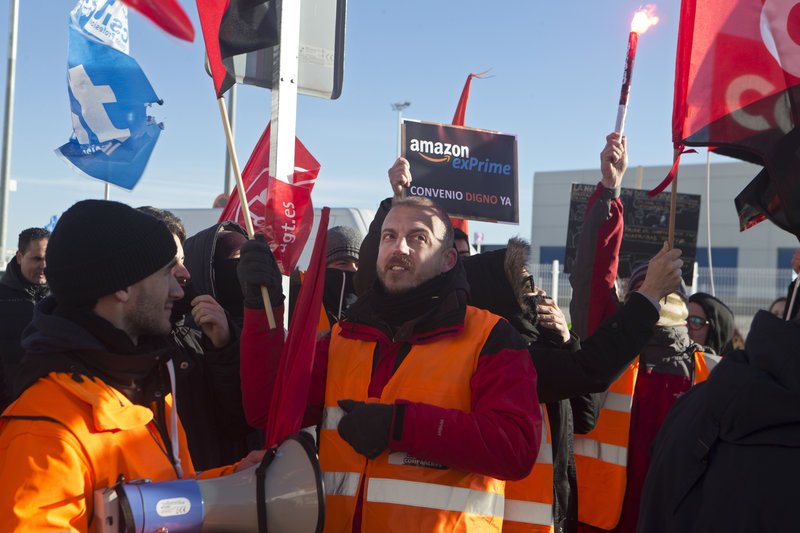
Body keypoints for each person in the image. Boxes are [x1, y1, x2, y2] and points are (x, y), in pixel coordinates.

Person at [239, 196, 542, 532]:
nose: (400, 247)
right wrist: (259, 307)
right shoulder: (344, 338)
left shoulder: (491, 337)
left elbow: (516, 448)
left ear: (448, 259)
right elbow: (268, 410)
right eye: (389, 236)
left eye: (418, 237)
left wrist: (400, 427)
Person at [0, 200, 264, 531]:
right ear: (123, 285)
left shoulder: (145, 381)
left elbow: (162, 491)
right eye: (166, 271)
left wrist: (236, 478)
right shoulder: (47, 429)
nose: (177, 288)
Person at [569, 133, 717, 533]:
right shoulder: (608, 353)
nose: (657, 291)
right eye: (645, 287)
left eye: (665, 283)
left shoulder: (714, 372)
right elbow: (593, 280)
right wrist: (610, 191)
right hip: (601, 522)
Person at [638, 309, 800, 532]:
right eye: (687, 319)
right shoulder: (693, 404)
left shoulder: (691, 404)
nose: (690, 326)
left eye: (696, 321)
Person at [138, 208, 257, 471]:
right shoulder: (102, 357)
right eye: (170, 265)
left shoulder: (197, 335)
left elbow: (235, 419)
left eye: (183, 261)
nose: (184, 274)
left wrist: (225, 347)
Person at [0, 227, 50, 411]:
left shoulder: (63, 298)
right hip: (9, 409)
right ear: (20, 257)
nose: (44, 265)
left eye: (48, 258)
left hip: (50, 409)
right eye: (37, 258)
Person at [289, 225, 362, 333]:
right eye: (343, 263)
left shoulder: (371, 307)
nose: (353, 270)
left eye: (358, 265)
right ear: (322, 268)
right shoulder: (298, 298)